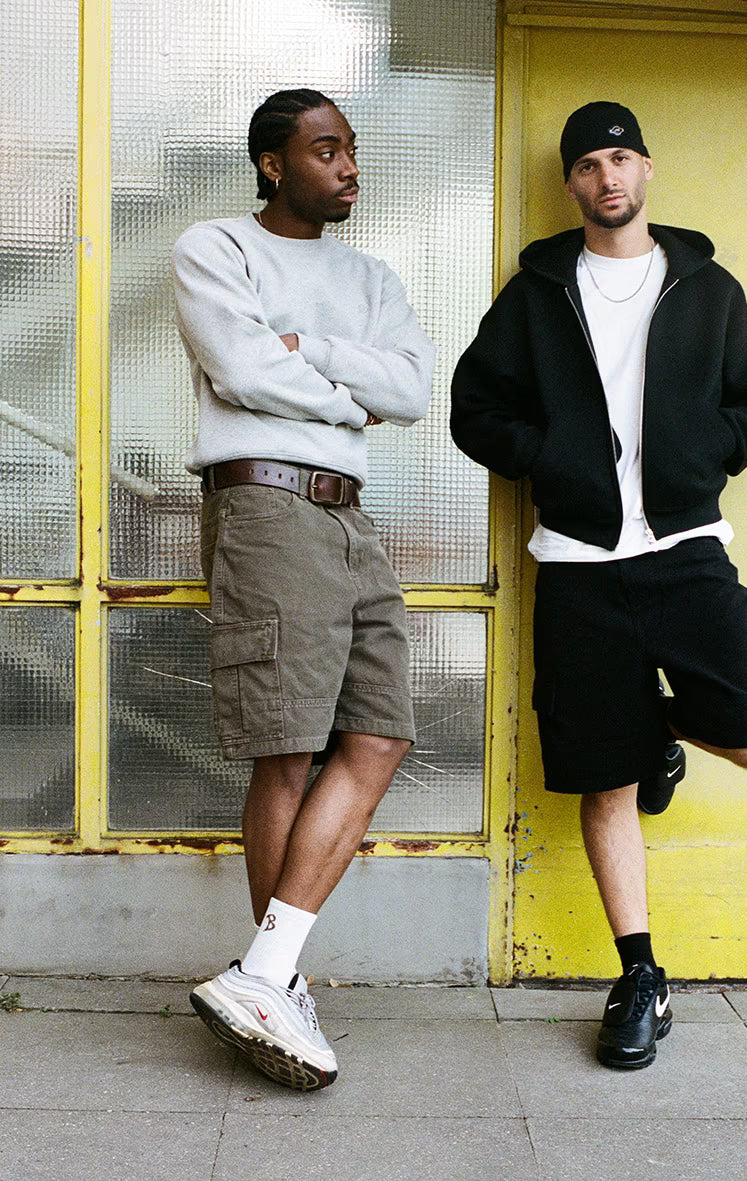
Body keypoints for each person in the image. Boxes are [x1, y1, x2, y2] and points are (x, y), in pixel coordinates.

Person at [450, 102, 747, 1069]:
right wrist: (551, 458)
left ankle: (660, 735)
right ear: (570, 184)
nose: (608, 177)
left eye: (621, 158)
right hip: (577, 565)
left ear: (647, 170)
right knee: (602, 777)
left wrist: (699, 457)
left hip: (684, 547)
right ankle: (638, 972)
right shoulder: (534, 295)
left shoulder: (706, 288)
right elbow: (473, 409)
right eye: (589, 163)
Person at [173, 89, 434, 1090]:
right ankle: (276, 979)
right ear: (274, 163)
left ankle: (266, 972)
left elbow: (409, 390)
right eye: (325, 150)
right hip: (267, 507)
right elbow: (238, 370)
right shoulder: (216, 247)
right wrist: (343, 391)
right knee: (287, 748)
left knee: (379, 731)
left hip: (348, 515)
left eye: (351, 148)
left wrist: (311, 351)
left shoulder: (371, 277)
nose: (348, 165)